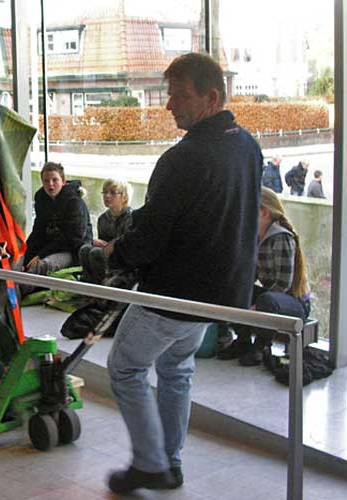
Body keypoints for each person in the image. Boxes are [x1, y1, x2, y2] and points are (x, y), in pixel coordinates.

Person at [102, 53, 261, 493]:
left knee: (125, 367)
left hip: (175, 294)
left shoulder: (182, 159)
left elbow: (149, 237)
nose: (169, 104)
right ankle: (170, 462)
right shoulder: (247, 145)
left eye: (179, 95)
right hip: (219, 294)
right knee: (176, 369)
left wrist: (113, 253)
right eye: (169, 94)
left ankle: (152, 463)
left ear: (211, 97)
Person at [219, 187, 311, 366]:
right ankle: (243, 341)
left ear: (264, 212)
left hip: (293, 302)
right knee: (233, 288)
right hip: (272, 297)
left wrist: (255, 307)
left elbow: (284, 283)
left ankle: (261, 347)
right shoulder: (256, 237)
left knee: (267, 300)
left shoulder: (281, 237)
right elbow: (249, 275)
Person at [21, 162, 92, 280]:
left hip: (74, 249)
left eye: (55, 180)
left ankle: (15, 295)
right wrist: (26, 255)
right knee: (18, 261)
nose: (51, 185)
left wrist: (40, 255)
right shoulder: (41, 198)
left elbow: (73, 238)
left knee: (43, 265)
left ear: (63, 181)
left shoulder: (74, 202)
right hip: (51, 245)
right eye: (46, 181)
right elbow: (38, 231)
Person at [79, 178, 132, 284]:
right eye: (105, 192)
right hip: (106, 255)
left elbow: (128, 248)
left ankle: (99, 286)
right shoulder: (102, 219)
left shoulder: (131, 218)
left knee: (96, 252)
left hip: (123, 260)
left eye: (113, 193)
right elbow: (102, 243)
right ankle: (89, 284)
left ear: (124, 196)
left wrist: (108, 246)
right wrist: (96, 242)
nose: (107, 196)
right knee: (84, 249)